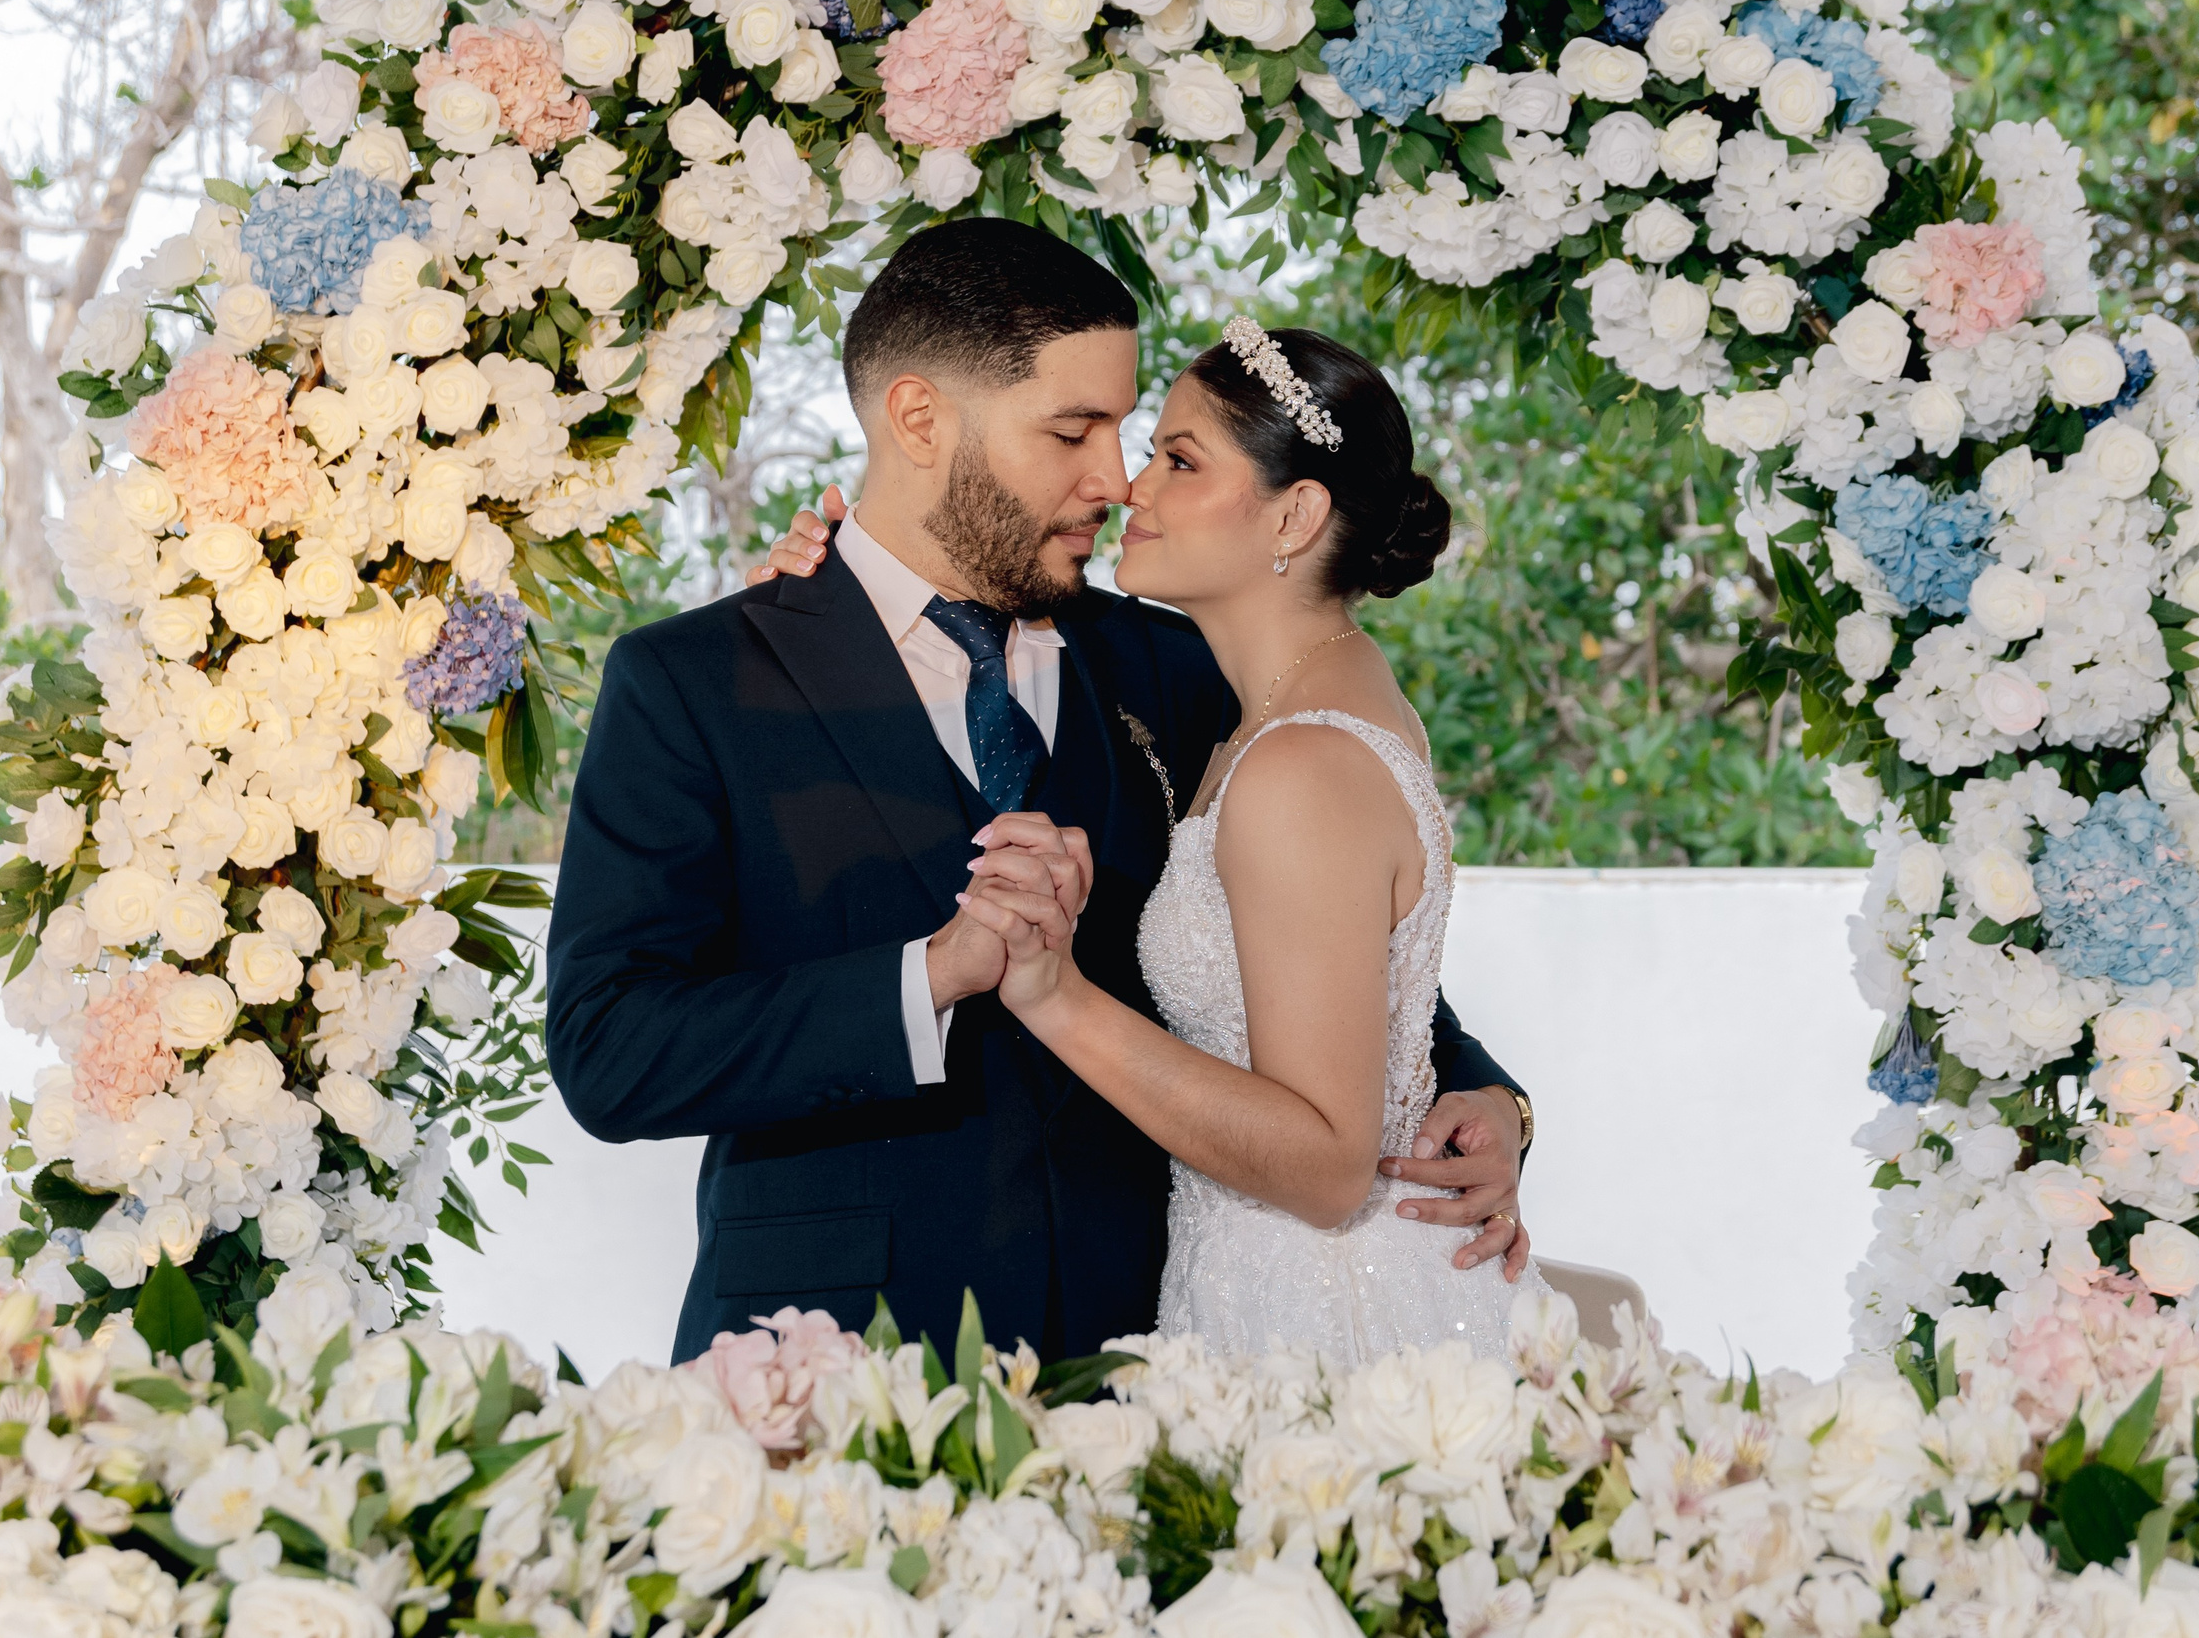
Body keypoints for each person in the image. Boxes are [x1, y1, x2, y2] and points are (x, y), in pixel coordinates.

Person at [545, 219, 1534, 1366]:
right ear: (920, 419)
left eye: (1127, 433)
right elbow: (610, 1048)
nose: (1114, 481)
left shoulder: (1175, 666)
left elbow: (1335, 942)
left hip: (1155, 1353)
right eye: (1074, 430)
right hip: (834, 1361)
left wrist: (1491, 1102)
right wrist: (932, 975)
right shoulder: (697, 683)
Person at [944, 320, 1556, 1361]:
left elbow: (1326, 1165)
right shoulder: (1274, 712)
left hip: (1321, 1311)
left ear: (1297, 512)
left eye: (1180, 460)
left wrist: (1056, 996)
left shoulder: (1298, 762)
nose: (1133, 488)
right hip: (1245, 1280)